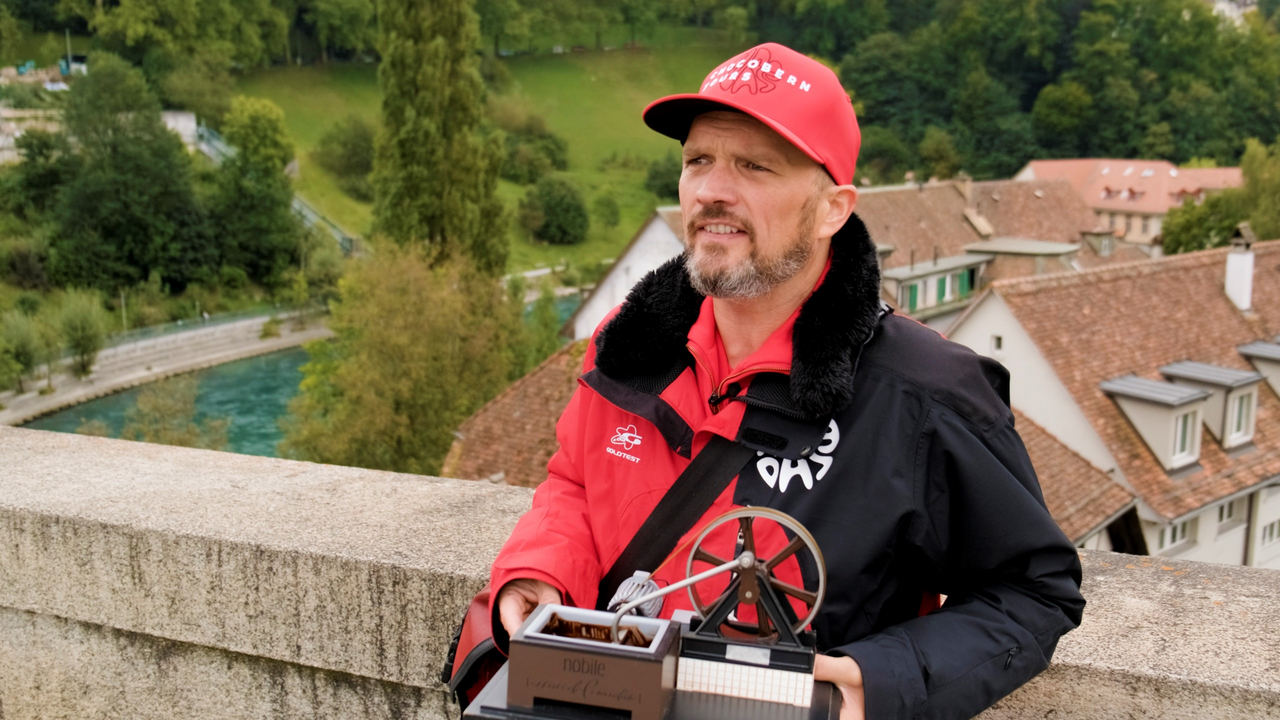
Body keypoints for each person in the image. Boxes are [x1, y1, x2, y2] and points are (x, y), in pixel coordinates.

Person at [489, 42, 1084, 720]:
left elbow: (1035, 593)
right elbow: (574, 482)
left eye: (753, 165)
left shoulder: (925, 395)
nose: (712, 189)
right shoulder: (626, 351)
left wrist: (880, 680)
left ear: (833, 208)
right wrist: (539, 568)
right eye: (698, 161)